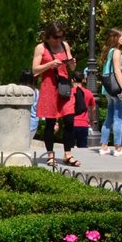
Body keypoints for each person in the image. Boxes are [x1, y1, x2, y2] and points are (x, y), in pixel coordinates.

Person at [32, 21, 78, 166]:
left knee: (70, 120)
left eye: (60, 37)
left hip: (64, 86)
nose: (58, 40)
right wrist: (50, 64)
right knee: (50, 123)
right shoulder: (41, 48)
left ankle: (68, 154)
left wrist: (72, 64)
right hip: (49, 87)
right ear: (48, 36)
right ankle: (50, 155)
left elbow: (71, 66)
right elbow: (34, 70)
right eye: (55, 37)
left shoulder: (65, 45)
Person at [98, 27, 122, 156]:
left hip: (109, 89)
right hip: (117, 89)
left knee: (109, 117)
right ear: (115, 38)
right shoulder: (116, 52)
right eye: (121, 36)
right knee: (119, 118)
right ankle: (118, 147)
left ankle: (104, 146)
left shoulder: (109, 52)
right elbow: (118, 71)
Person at [71, 70, 95, 148]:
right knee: (82, 148)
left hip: (71, 123)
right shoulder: (89, 93)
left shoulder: (69, 93)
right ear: (83, 80)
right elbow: (92, 109)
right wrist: (91, 120)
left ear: (73, 80)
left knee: (69, 149)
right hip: (84, 124)